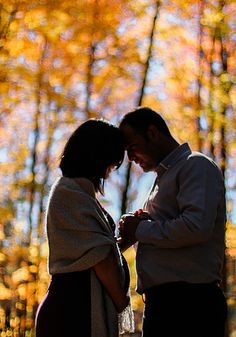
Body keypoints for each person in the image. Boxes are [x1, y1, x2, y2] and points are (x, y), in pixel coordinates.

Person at [118, 107, 228, 337]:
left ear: (152, 132)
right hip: (164, 305)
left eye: (132, 147)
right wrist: (137, 230)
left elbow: (196, 226)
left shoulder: (195, 165)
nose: (130, 158)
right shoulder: (162, 178)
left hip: (190, 305)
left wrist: (141, 229)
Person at [35, 119, 134, 337]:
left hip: (74, 307)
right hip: (73, 310)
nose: (113, 167)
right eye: (113, 160)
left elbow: (92, 252)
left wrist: (127, 238)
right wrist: (122, 303)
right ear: (99, 155)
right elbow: (101, 260)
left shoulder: (78, 194)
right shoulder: (70, 193)